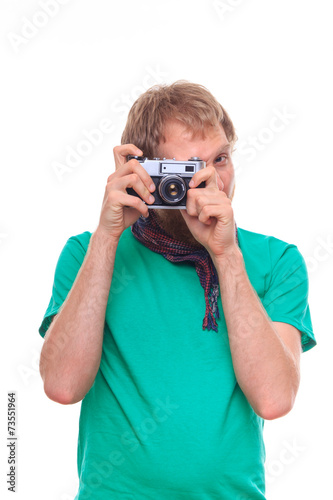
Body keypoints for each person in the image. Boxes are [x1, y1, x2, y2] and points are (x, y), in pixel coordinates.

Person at [38, 81, 317, 500]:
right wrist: (107, 237)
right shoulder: (88, 253)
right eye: (186, 169)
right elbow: (62, 386)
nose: (211, 183)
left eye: (220, 160)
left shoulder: (277, 262)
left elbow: (275, 399)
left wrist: (226, 257)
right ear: (143, 173)